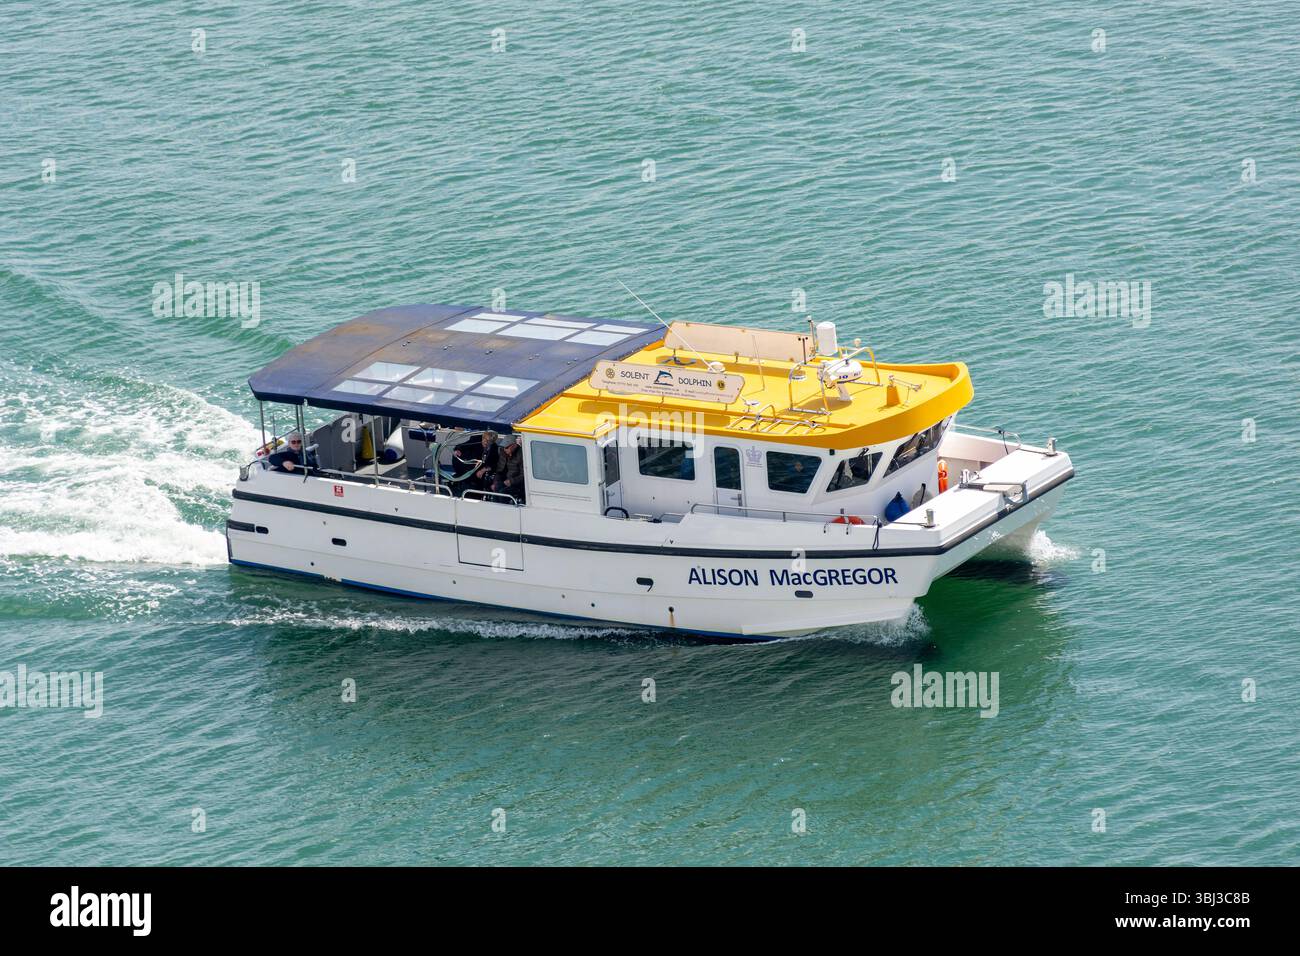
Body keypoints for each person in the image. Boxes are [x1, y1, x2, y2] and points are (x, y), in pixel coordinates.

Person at [492, 435, 525, 502]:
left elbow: (524, 475)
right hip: (506, 481)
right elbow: (499, 470)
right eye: (503, 447)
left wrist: (511, 481)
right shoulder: (503, 453)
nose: (504, 449)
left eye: (506, 447)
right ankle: (495, 509)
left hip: (518, 485)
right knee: (496, 487)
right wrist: (495, 482)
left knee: (503, 492)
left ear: (514, 445)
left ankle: (503, 511)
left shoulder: (521, 455)